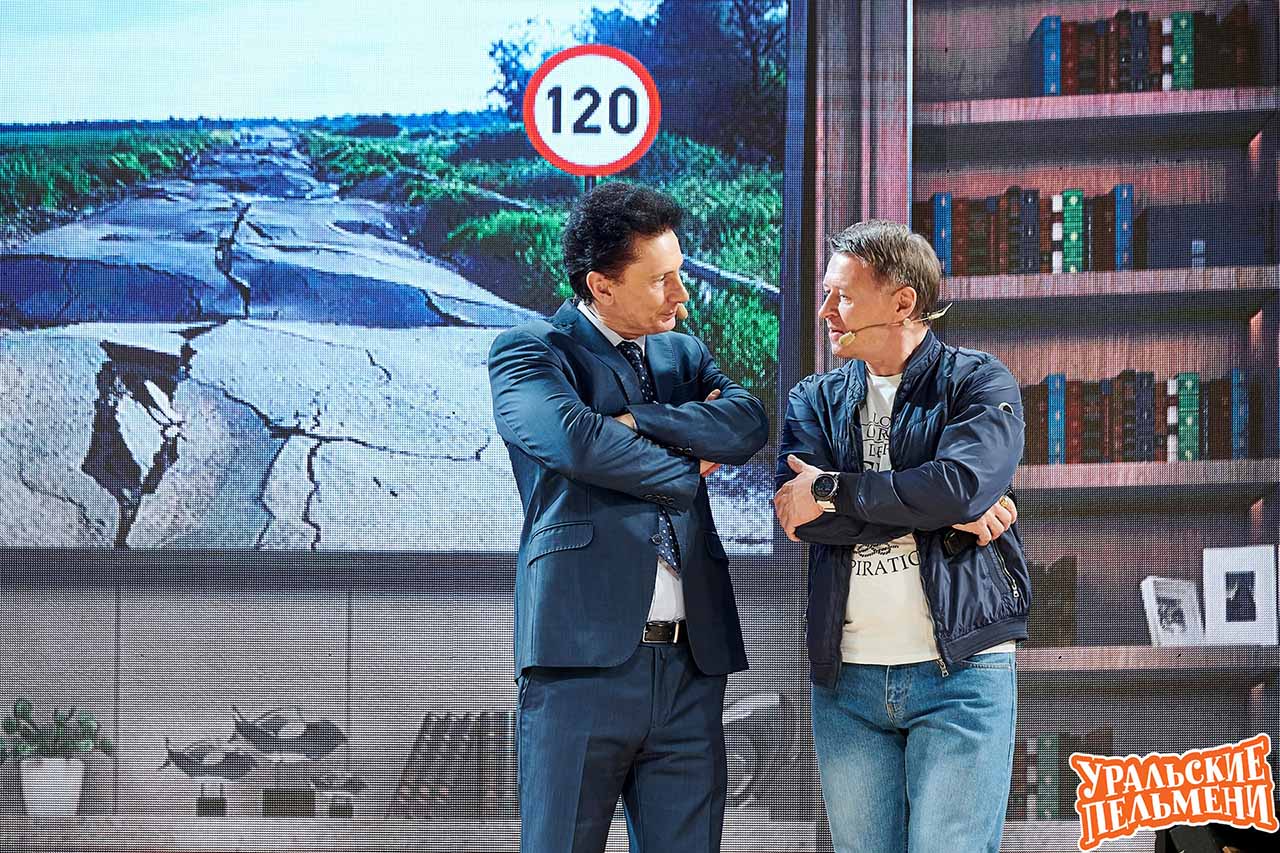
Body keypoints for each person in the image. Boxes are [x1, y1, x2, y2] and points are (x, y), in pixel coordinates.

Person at [488, 182, 769, 853]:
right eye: (662, 280)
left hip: (691, 664)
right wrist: (688, 468)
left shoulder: (683, 354)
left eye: (681, 274)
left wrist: (639, 419)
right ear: (601, 285)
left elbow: (747, 422)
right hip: (580, 662)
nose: (682, 296)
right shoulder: (530, 350)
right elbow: (576, 441)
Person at [772, 219, 1028, 853]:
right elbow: (800, 515)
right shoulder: (813, 399)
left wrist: (836, 488)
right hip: (847, 685)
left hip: (961, 674)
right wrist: (936, 504)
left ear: (902, 302)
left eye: (843, 296)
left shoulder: (978, 381)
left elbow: (960, 486)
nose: (826, 312)